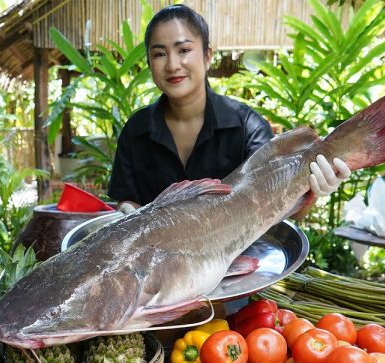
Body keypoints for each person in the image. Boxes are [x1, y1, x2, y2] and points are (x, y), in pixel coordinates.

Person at [108, 4, 351, 214]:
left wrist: (315, 190)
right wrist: (126, 209)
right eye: (159, 54)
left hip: (237, 261)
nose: (172, 65)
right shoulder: (135, 130)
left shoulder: (248, 127)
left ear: (207, 56)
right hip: (158, 264)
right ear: (149, 63)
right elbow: (128, 200)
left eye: (184, 50)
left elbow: (280, 204)